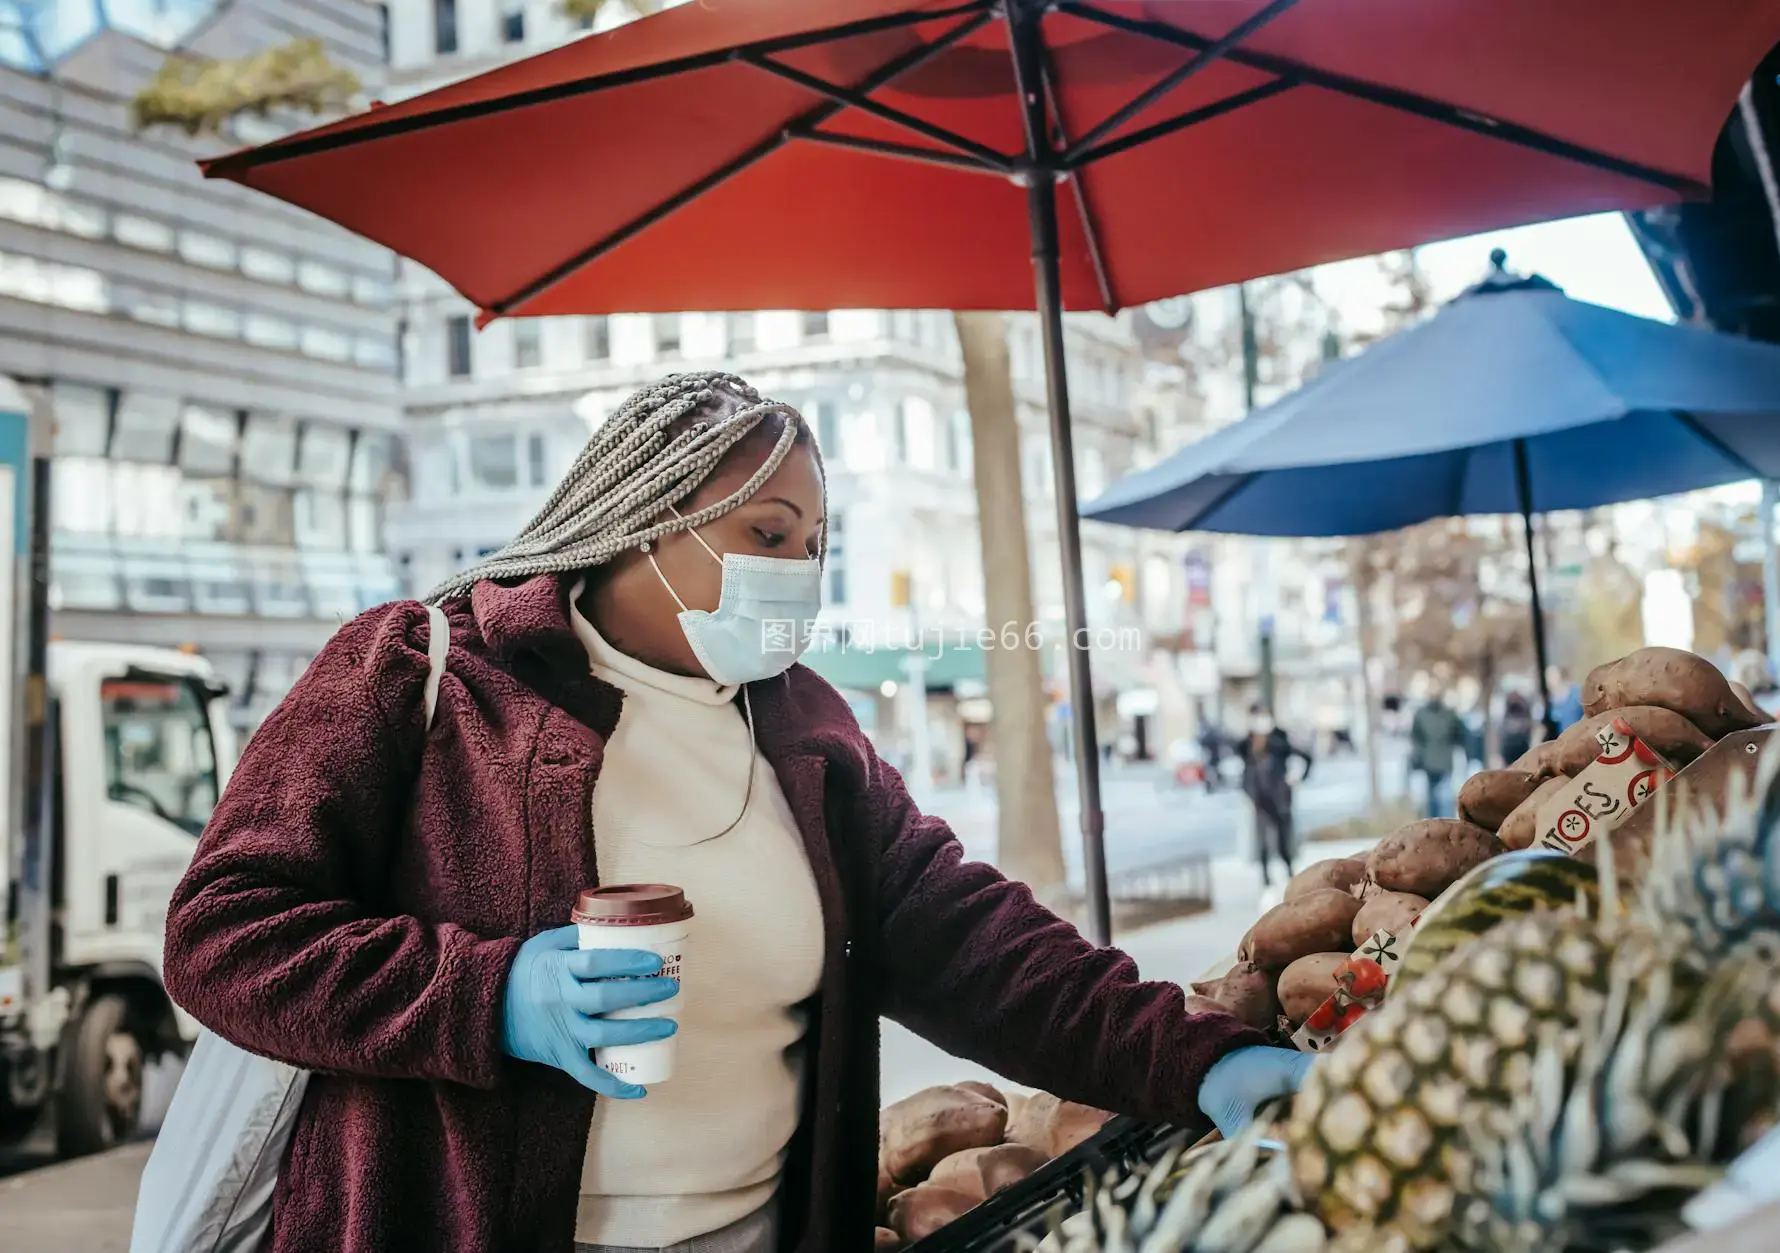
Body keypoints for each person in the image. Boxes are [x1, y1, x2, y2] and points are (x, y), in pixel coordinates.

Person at [161, 374, 1310, 1253]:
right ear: (643, 517)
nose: (798, 570)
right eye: (767, 534)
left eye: (814, 545)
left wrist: (1196, 1056)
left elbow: (978, 943)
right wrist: (488, 993)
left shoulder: (809, 729)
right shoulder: (420, 670)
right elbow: (224, 928)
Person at [1239, 706, 1313, 884]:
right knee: (1262, 840)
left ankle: (1289, 872)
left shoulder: (1279, 740)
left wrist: (1296, 779)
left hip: (1279, 798)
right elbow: (1245, 770)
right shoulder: (1248, 743)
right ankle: (1265, 878)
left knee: (1283, 839)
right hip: (1259, 799)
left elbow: (1305, 757)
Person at [1408, 690, 1465, 819]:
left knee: (1444, 798)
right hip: (1429, 762)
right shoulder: (1421, 714)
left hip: (1444, 762)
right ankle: (1433, 822)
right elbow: (1415, 737)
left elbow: (1459, 735)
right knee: (1431, 799)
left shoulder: (1449, 715)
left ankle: (1446, 824)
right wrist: (1418, 754)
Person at [1498, 690, 1534, 767]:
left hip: (1521, 747)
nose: (1514, 701)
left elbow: (1528, 725)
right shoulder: (1507, 711)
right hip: (1509, 748)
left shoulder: (1524, 709)